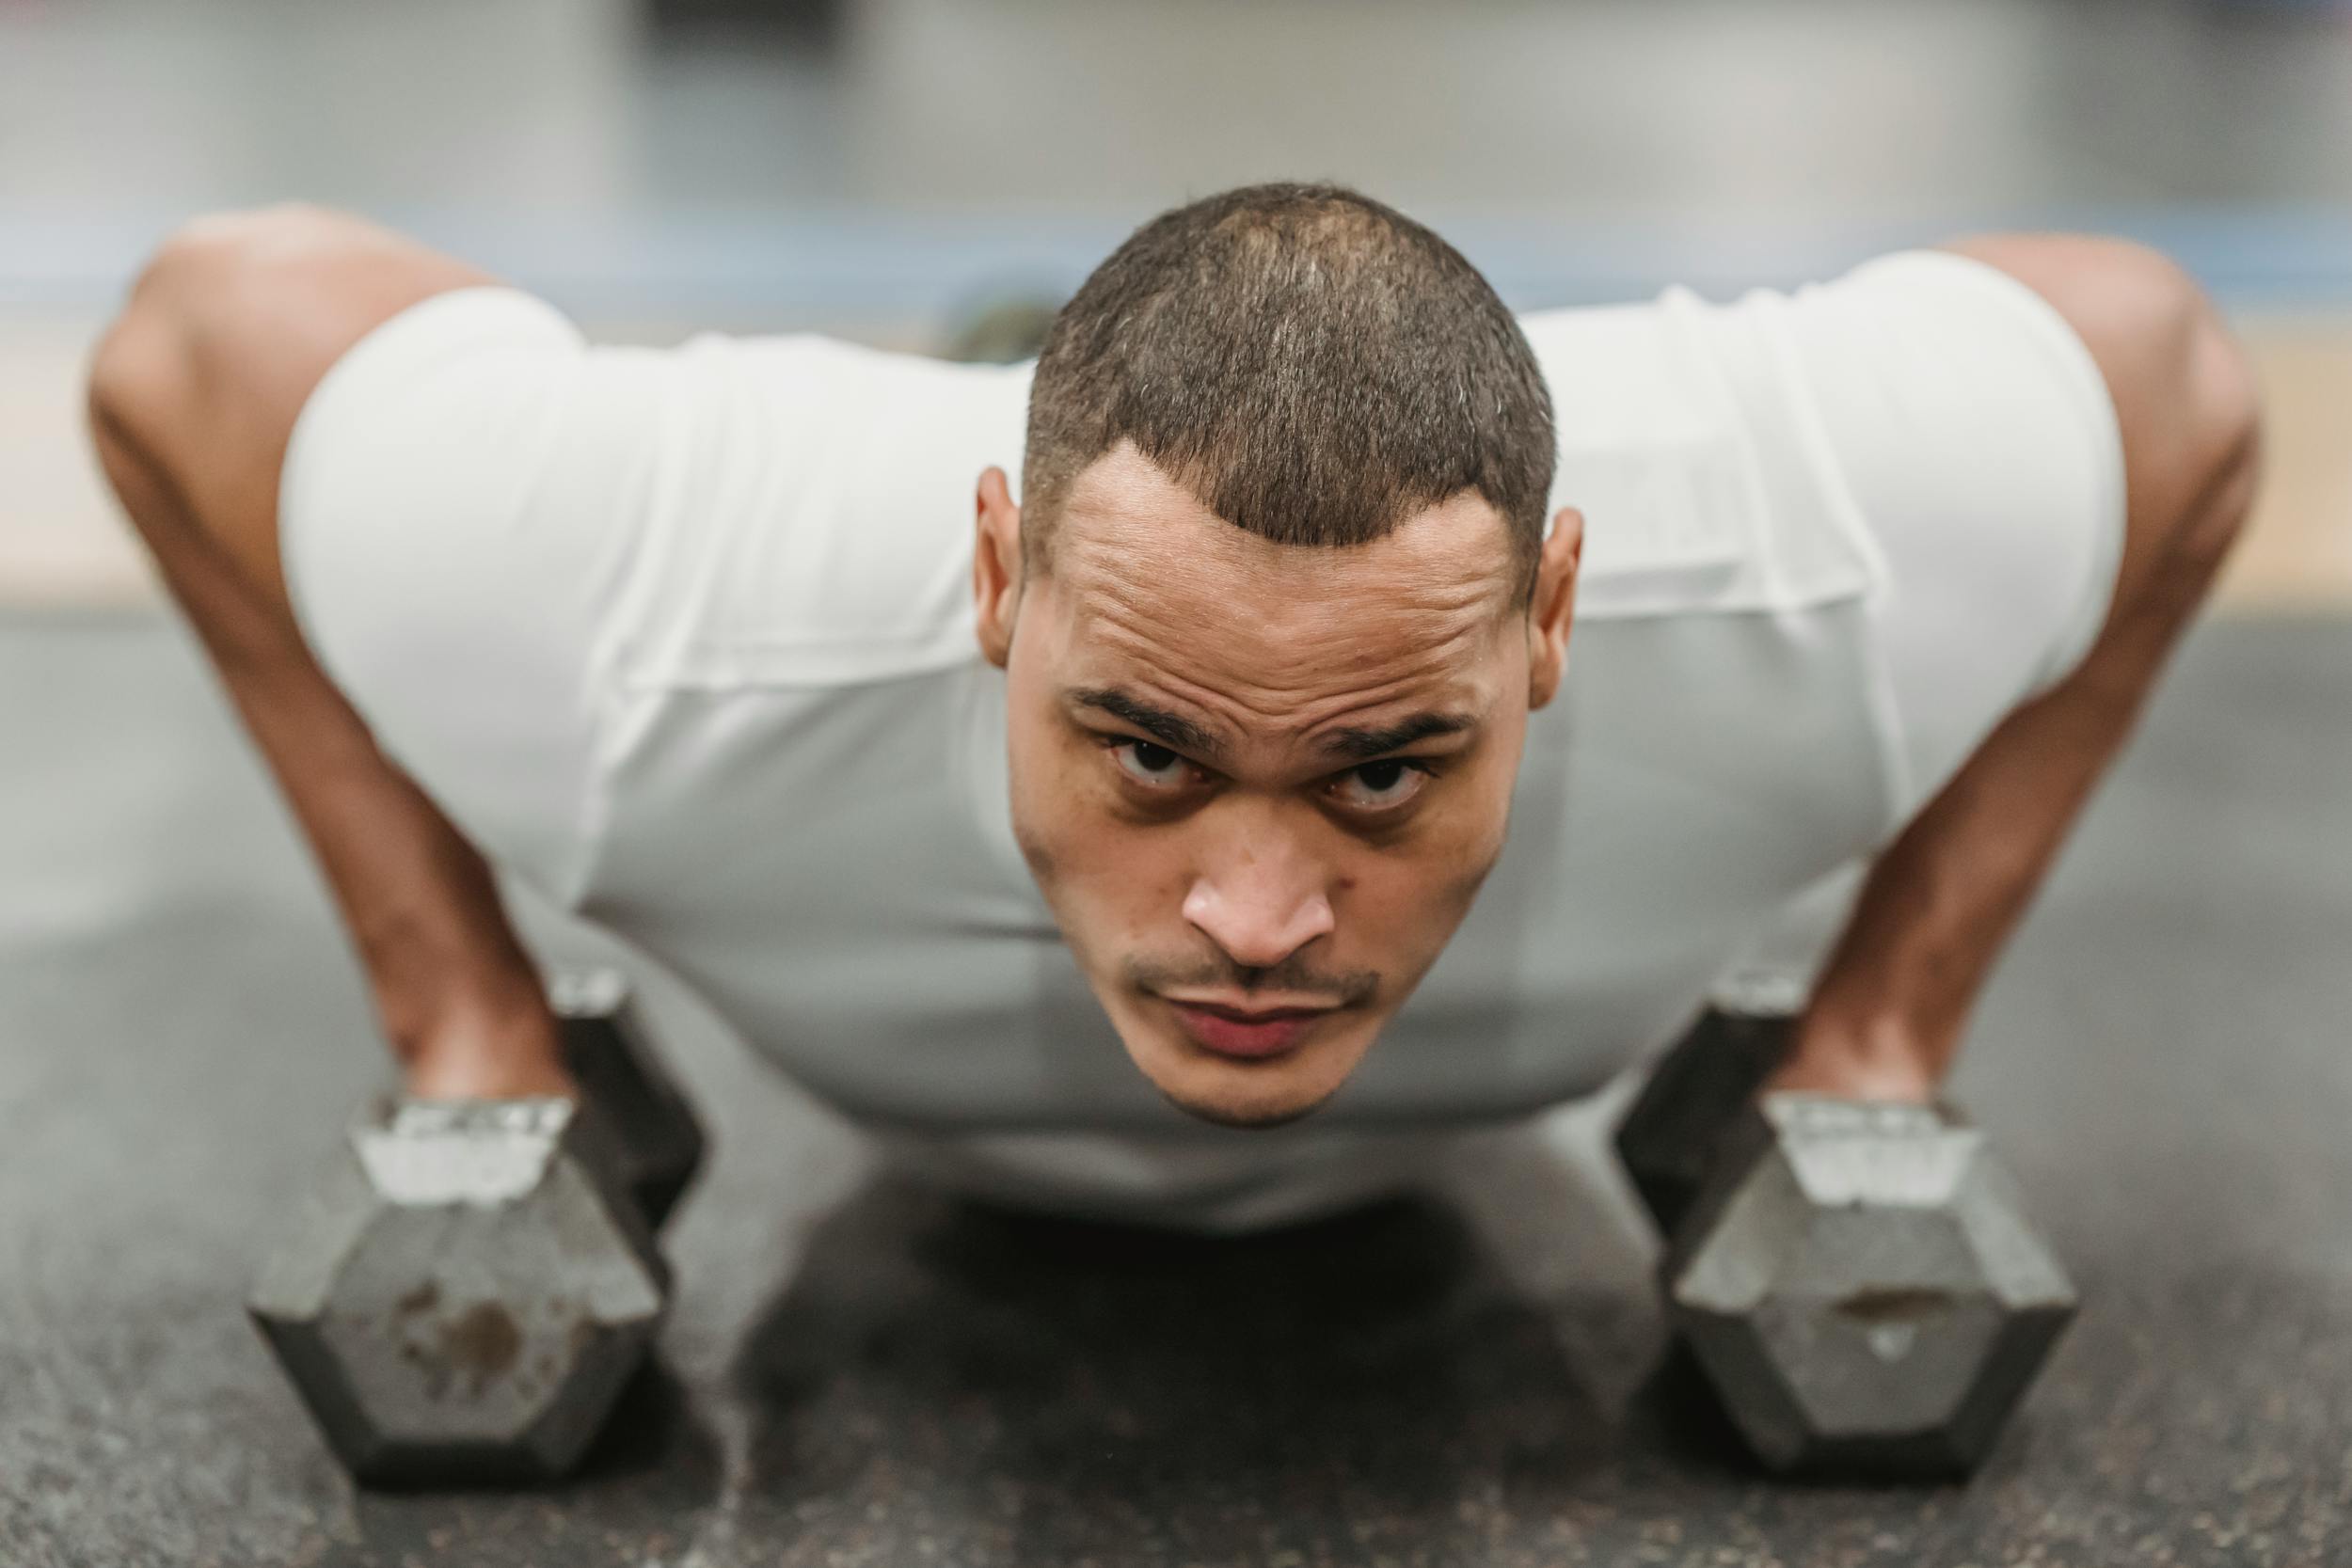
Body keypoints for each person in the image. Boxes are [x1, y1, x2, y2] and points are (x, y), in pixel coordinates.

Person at [85, 182, 2260, 1231]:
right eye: (1145, 749)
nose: (1252, 917)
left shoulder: (1795, 574)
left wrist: (1878, 1034)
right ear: (993, 587)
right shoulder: (653, 622)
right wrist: (460, 1019)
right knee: (1026, 345)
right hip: (885, 471)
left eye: (1381, 770)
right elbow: (196, 342)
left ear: (1552, 621)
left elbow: (2165, 378)